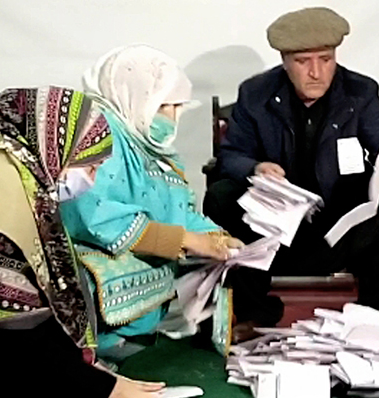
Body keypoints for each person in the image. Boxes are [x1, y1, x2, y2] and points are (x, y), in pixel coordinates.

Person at [0, 86, 171, 398]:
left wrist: (92, 376)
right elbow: (10, 338)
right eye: (91, 166)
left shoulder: (9, 169)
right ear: (57, 149)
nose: (93, 179)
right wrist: (107, 390)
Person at [204, 7, 379, 335]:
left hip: (340, 222)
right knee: (223, 195)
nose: (316, 72)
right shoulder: (256, 93)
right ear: (284, 61)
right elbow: (231, 156)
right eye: (303, 62)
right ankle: (254, 311)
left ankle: (376, 312)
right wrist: (256, 168)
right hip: (278, 227)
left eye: (325, 59)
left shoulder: (360, 92)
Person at [60, 45, 242, 359]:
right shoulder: (96, 134)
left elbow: (177, 209)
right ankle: (90, 355)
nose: (172, 119)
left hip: (137, 254)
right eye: (162, 107)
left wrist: (217, 238)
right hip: (85, 256)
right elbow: (90, 213)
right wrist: (185, 240)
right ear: (134, 96)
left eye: (177, 108)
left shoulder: (153, 150)